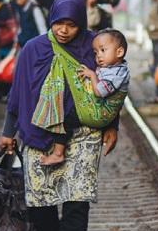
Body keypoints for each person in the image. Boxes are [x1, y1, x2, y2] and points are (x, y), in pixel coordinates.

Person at [0, 0, 118, 231]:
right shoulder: (32, 49)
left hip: (83, 134)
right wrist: (7, 131)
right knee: (40, 200)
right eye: (59, 23)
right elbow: (18, 93)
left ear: (80, 22)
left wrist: (113, 125)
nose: (64, 30)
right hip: (39, 134)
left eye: (71, 24)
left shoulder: (93, 48)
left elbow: (111, 86)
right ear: (51, 19)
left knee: (77, 200)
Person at [38, 29, 130, 166]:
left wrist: (92, 75)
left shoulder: (117, 73)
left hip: (99, 115)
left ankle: (58, 153)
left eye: (103, 50)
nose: (98, 56)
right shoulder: (113, 67)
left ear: (119, 52)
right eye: (96, 52)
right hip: (99, 112)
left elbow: (99, 92)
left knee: (65, 117)